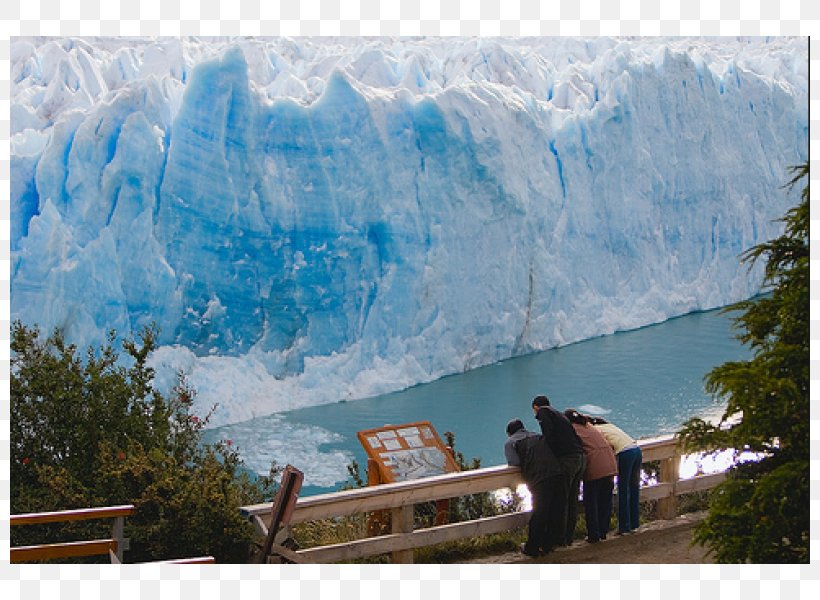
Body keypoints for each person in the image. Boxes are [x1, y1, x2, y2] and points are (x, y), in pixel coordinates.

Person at [530, 395, 586, 546]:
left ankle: (558, 539)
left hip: (567, 460)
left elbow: (549, 435)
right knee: (572, 500)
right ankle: (569, 537)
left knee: (562, 501)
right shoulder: (559, 414)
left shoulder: (543, 412)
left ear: (535, 407)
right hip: (580, 458)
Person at [504, 418, 563, 556]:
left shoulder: (511, 442)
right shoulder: (538, 436)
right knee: (554, 510)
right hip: (557, 473)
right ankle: (548, 544)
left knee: (539, 512)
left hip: (539, 478)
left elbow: (514, 463)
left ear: (509, 433)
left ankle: (532, 547)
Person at [564, 409, 617, 543]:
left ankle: (593, 534)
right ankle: (603, 531)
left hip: (595, 467)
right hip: (610, 464)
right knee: (605, 500)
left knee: (591, 502)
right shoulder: (589, 426)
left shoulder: (572, 430)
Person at [589, 416, 643, 535]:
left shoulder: (596, 430)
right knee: (634, 488)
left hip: (625, 453)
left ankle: (624, 526)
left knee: (623, 490)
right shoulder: (610, 426)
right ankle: (634, 523)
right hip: (636, 449)